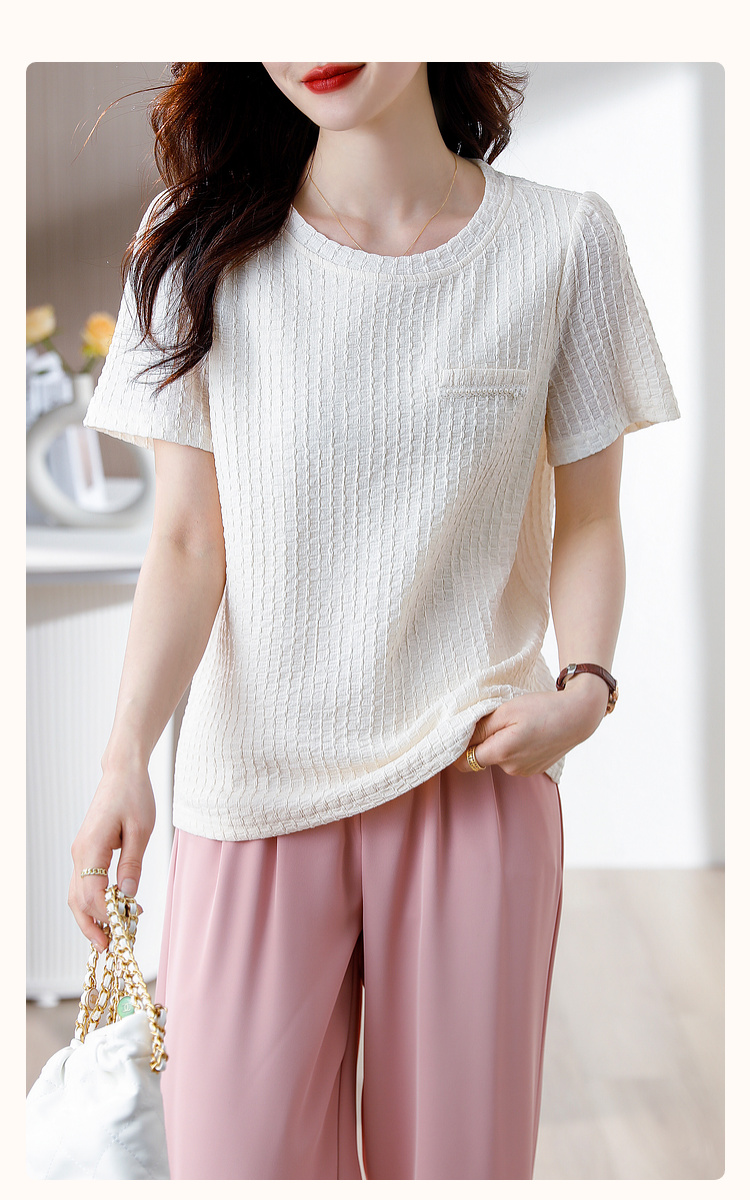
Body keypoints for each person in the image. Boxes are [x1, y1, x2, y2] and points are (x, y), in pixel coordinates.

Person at [68, 62, 679, 1180]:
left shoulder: (562, 242)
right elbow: (189, 542)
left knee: (456, 1171)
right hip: (251, 794)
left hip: (472, 779)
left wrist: (585, 689)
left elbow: (591, 516)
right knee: (233, 1166)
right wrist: (123, 763)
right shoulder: (194, 242)